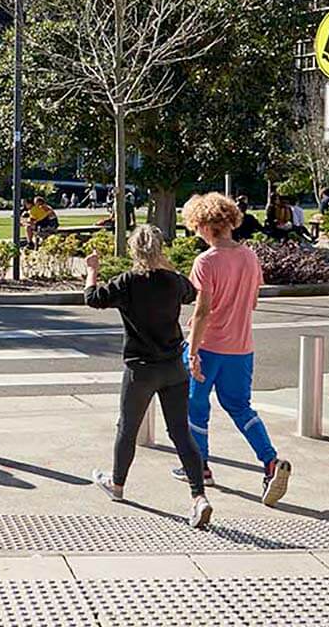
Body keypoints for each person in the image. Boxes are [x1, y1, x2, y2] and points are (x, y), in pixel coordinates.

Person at [84, 226, 212, 529]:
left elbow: (92, 298)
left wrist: (92, 270)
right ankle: (198, 496)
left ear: (133, 250)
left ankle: (117, 485)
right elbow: (191, 291)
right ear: (159, 248)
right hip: (173, 369)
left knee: (127, 428)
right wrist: (165, 265)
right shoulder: (172, 281)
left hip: (140, 369)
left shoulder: (127, 283)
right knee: (181, 432)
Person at [179, 193, 291, 506]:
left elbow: (202, 311)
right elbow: (252, 301)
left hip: (210, 345)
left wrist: (194, 350)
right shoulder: (249, 257)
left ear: (203, 225)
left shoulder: (206, 262)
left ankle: (200, 466)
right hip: (241, 346)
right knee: (241, 407)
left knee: (196, 406)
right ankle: (269, 461)